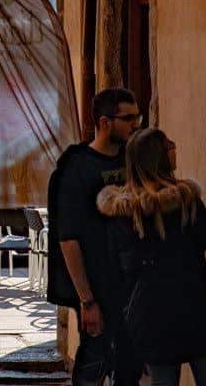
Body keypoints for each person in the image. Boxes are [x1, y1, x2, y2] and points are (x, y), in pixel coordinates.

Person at [97, 129, 206, 386]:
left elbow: (114, 271)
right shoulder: (185, 202)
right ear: (158, 156)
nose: (175, 148)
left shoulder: (122, 212)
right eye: (169, 146)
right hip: (197, 313)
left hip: (150, 319)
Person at [47, 87, 144, 386]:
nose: (135, 125)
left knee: (131, 362)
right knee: (94, 361)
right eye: (128, 119)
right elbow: (68, 239)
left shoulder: (133, 162)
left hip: (132, 282)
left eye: (137, 118)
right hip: (97, 284)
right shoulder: (75, 168)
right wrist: (87, 300)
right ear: (105, 122)